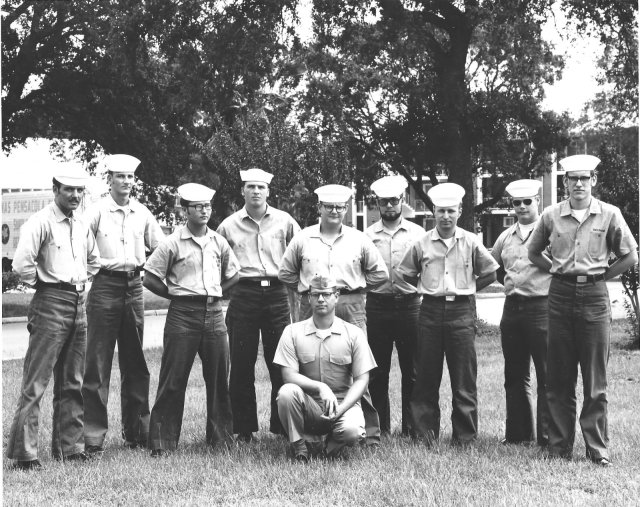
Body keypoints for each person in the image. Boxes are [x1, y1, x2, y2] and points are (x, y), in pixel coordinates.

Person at [528, 155, 638, 467]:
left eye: (585, 178)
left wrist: (602, 275)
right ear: (564, 182)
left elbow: (630, 256)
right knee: (559, 377)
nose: (579, 184)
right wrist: (558, 271)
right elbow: (533, 253)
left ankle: (597, 450)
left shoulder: (609, 214)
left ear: (594, 181)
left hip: (594, 296)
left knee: (595, 379)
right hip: (560, 296)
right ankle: (559, 446)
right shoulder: (551, 216)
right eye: (573, 178)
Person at [7, 164, 101, 470]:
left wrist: (79, 284)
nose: (74, 196)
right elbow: (21, 265)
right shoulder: (41, 222)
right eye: (68, 190)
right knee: (37, 381)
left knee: (73, 380)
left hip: (78, 300)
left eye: (79, 191)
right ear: (55, 190)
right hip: (50, 300)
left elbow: (94, 260)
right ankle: (25, 454)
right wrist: (47, 286)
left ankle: (69, 447)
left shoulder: (82, 223)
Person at [278, 183, 388, 444]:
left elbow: (380, 274)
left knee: (357, 367)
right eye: (329, 206)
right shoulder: (303, 238)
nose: (335, 211)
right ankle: (306, 425)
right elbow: (285, 272)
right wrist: (308, 291)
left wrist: (356, 289)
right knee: (310, 362)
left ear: (346, 209)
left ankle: (368, 432)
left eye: (340, 207)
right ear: (320, 208)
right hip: (312, 305)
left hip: (350, 305)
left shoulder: (358, 238)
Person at [398, 182, 499, 445]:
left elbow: (490, 272)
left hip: (461, 312)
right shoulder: (421, 244)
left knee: (463, 377)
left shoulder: (471, 241)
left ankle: (465, 437)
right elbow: (404, 274)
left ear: (459, 211)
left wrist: (470, 288)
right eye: (441, 211)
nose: (445, 216)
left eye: (450, 211)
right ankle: (425, 435)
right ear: (433, 211)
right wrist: (424, 289)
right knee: (426, 376)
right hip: (430, 311)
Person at [143, 183, 239, 456]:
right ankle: (163, 442)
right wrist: (175, 293)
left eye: (207, 206)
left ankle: (221, 439)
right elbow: (150, 277)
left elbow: (234, 274)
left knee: (219, 378)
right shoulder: (172, 242)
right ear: (186, 210)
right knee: (173, 379)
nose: (203, 211)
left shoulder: (218, 241)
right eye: (197, 207)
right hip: (182, 315)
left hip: (213, 315)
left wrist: (216, 291)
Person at [82, 154, 165, 456]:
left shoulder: (142, 212)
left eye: (130, 178)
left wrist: (150, 271)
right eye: (120, 177)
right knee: (97, 364)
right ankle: (92, 436)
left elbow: (161, 247)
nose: (126, 183)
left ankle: (138, 431)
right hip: (104, 285)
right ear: (110, 180)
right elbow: (81, 246)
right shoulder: (95, 212)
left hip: (134, 287)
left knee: (135, 363)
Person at [216, 168, 300, 442]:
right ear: (242, 191)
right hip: (244, 294)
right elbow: (217, 262)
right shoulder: (228, 226)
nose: (255, 192)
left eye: (260, 187)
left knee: (280, 362)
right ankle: (244, 429)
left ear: (268, 191)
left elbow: (300, 251)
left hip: (276, 295)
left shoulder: (285, 221)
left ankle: (283, 426)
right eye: (250, 187)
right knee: (241, 363)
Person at [274, 274, 378, 462]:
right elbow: (288, 375)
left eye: (326, 294)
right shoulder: (292, 332)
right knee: (287, 392)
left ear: (336, 296)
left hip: (342, 404)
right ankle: (300, 448)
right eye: (315, 295)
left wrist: (342, 408)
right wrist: (320, 387)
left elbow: (362, 379)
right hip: (309, 404)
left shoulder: (353, 333)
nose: (321, 299)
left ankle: (327, 448)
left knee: (353, 431)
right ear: (308, 298)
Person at [491, 179, 551, 447]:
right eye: (517, 202)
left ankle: (550, 436)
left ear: (538, 200)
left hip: (542, 308)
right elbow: (493, 266)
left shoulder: (550, 231)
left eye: (528, 201)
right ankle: (518, 435)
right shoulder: (506, 236)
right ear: (511, 205)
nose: (523, 206)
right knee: (515, 375)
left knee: (547, 375)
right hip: (512, 310)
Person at [365, 175, 426, 436]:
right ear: (377, 204)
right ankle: (379, 428)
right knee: (377, 370)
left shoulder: (418, 234)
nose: (389, 206)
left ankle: (412, 427)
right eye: (383, 202)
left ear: (402, 201)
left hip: (410, 306)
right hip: (377, 305)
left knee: (412, 370)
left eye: (394, 201)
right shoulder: (366, 235)